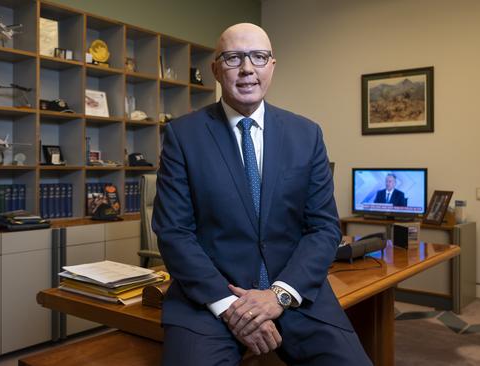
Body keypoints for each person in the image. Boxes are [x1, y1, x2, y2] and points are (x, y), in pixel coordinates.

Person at [152, 23, 372, 365]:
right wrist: (233, 309)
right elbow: (174, 232)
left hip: (293, 294)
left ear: (272, 65)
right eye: (233, 58)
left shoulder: (306, 134)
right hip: (211, 299)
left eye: (258, 56)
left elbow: (324, 228)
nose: (247, 68)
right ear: (215, 69)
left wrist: (279, 295)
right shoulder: (183, 136)